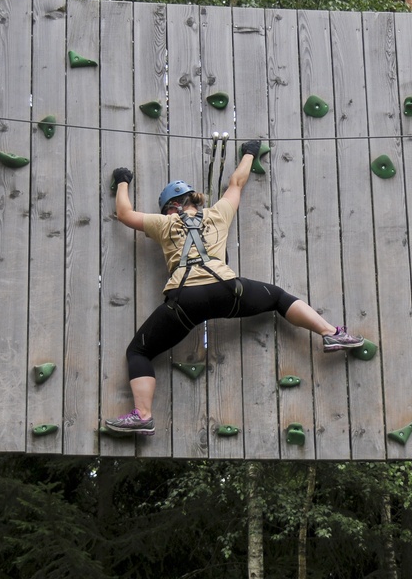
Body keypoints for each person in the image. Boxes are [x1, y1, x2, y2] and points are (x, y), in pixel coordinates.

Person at [105, 139, 365, 435]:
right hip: (228, 290)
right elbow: (237, 182)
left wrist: (123, 181)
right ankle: (331, 334)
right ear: (193, 200)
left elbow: (125, 215)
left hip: (185, 301)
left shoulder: (165, 224)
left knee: (138, 352)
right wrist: (249, 153)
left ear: (171, 207)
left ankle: (143, 415)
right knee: (278, 297)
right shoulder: (218, 214)